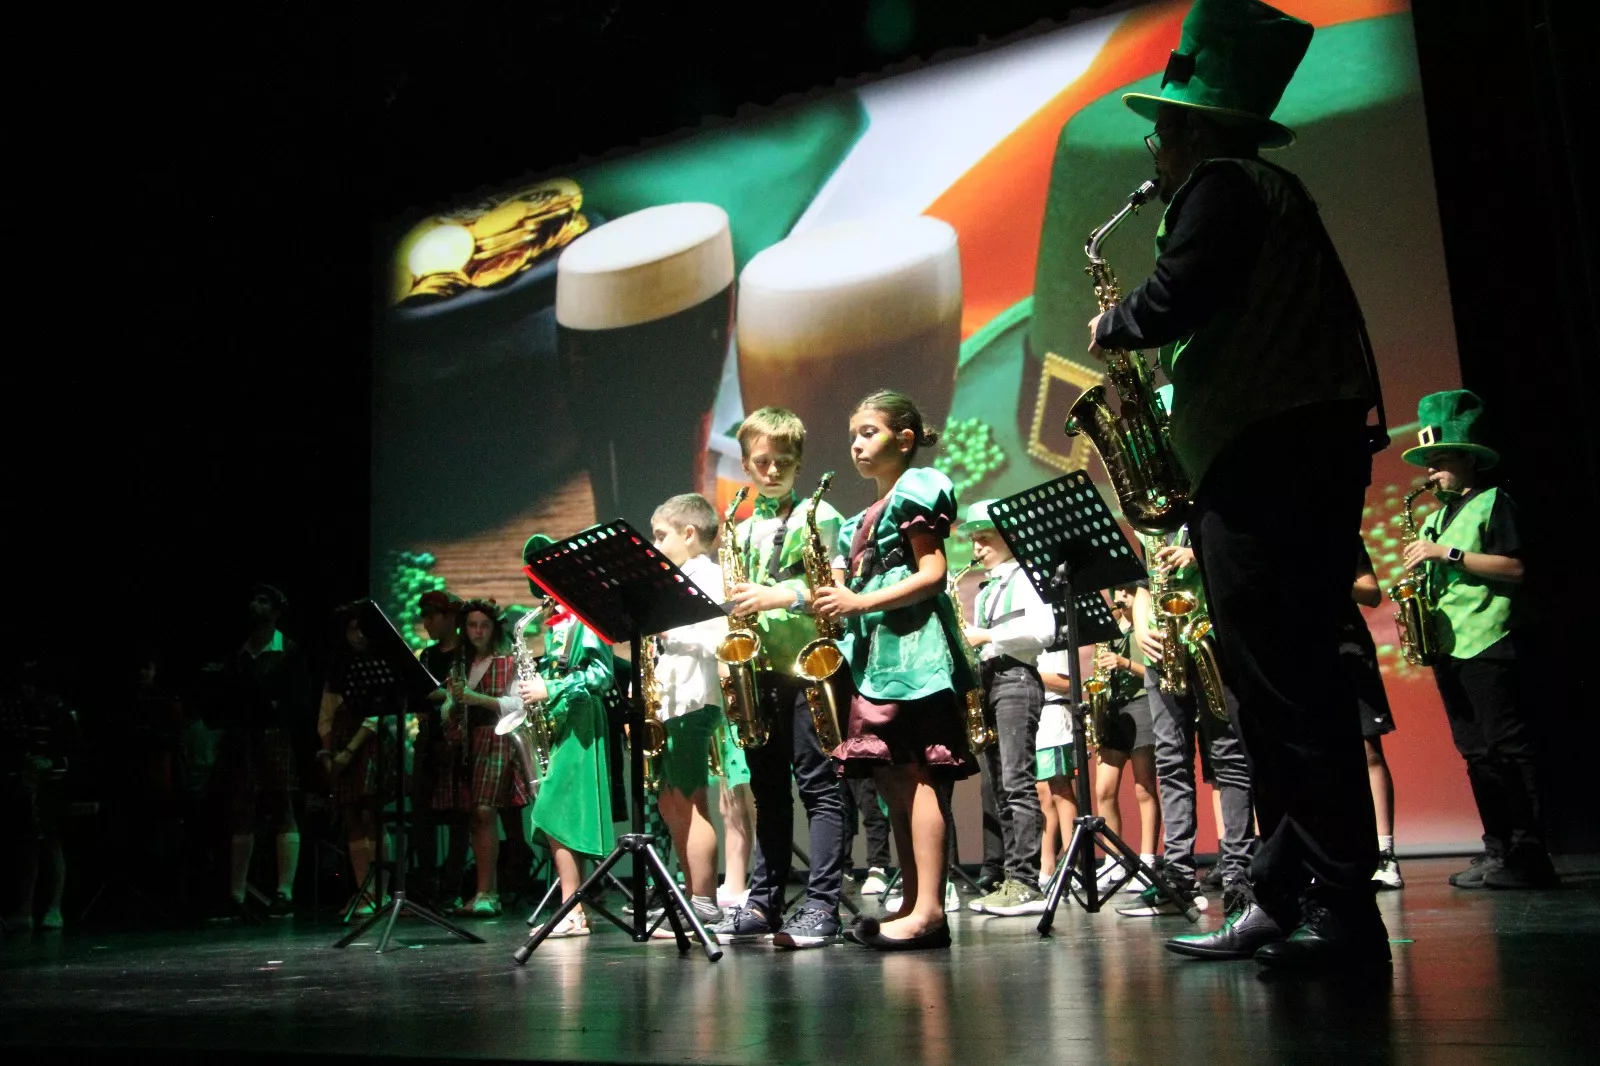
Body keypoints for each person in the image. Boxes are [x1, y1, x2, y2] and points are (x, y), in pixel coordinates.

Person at [1091, 0, 1390, 967]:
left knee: (1286, 691)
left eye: (1165, 124)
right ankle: (1285, 889)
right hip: (1290, 453)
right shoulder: (1267, 188)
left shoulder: (1223, 184)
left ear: (1199, 128)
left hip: (1269, 463)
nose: (1156, 143)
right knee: (1273, 694)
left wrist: (1117, 323)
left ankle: (1339, 909)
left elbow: (1175, 298)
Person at [816, 389, 977, 951]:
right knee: (892, 782)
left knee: (919, 774)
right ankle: (911, 903)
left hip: (915, 656)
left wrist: (858, 604)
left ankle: (930, 909)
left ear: (904, 440)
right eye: (854, 433)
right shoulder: (857, 520)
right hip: (875, 660)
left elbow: (933, 573)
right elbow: (849, 590)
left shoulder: (917, 489)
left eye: (870, 432)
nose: (857, 444)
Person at [1400, 390, 1555, 889]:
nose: (1431, 474)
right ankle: (1498, 848)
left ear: (1467, 459)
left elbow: (1515, 567)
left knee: (1507, 749)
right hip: (1448, 645)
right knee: (1476, 754)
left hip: (1488, 639)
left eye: (1439, 462)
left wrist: (1446, 554)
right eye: (1427, 465)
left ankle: (1530, 857)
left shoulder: (1493, 501)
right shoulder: (1433, 516)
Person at [714, 406, 849, 950]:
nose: (772, 472)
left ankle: (821, 904)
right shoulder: (740, 529)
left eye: (783, 463)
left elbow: (835, 599)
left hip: (811, 670)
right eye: (762, 462)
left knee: (820, 788)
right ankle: (765, 901)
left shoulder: (824, 517)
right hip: (761, 671)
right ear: (745, 465)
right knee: (769, 793)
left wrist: (780, 595)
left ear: (799, 463)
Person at [1119, 527, 1255, 919]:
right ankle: (1177, 877)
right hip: (1165, 649)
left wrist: (1200, 553)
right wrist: (1142, 629)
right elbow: (1144, 585)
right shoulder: (1153, 523)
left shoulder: (1206, 507)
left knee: (1228, 757)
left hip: (1212, 637)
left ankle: (1238, 873)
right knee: (1170, 761)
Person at [516, 534, 619, 938]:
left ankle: (571, 912)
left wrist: (550, 689)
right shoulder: (559, 621)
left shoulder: (584, 616)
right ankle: (574, 911)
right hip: (563, 719)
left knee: (555, 814)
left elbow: (601, 675)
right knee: (561, 817)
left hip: (580, 720)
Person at [958, 500, 1055, 918]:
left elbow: (1045, 631)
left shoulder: (1029, 577)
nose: (976, 548)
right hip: (989, 683)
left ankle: (1026, 882)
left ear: (1008, 537)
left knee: (1017, 781)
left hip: (1016, 680)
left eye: (984, 539)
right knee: (998, 785)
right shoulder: (986, 590)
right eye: (975, 540)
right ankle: (1008, 879)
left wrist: (988, 637)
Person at [646, 493, 730, 936]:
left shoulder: (709, 577)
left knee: (693, 800)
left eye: (661, 536)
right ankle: (687, 894)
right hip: (671, 699)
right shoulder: (678, 579)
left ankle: (704, 901)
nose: (656, 545)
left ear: (689, 534)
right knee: (669, 800)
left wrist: (669, 629)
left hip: (695, 700)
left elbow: (720, 638)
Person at [433, 598, 528, 917]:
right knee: (473, 815)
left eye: (484, 625)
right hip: (466, 743)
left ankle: (489, 892)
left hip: (495, 738)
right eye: (472, 625)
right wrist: (449, 703)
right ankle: (483, 891)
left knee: (485, 812)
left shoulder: (507, 661)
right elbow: (450, 706)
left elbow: (518, 705)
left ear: (494, 628)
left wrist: (477, 699)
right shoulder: (460, 665)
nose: (477, 631)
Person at [222, 585, 310, 919]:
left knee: (282, 806)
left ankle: (284, 891)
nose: (254, 605)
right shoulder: (239, 655)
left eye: (263, 601)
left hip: (276, 737)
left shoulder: (289, 652)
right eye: (253, 598)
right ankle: (236, 894)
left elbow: (300, 704)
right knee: (241, 811)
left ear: (275, 611)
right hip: (244, 739)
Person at [318, 605, 402, 917]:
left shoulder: (380, 664)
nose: (358, 636)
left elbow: (376, 718)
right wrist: (327, 753)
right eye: (353, 629)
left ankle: (380, 891)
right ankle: (364, 892)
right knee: (352, 817)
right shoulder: (338, 667)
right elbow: (326, 715)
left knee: (372, 815)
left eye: (363, 629)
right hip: (341, 748)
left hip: (369, 746)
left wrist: (347, 752)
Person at [1086, 585, 1161, 896]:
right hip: (1114, 710)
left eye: (1127, 592)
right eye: (1116, 593)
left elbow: (1158, 672)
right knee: (1103, 789)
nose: (1120, 598)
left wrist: (1125, 663)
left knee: (1144, 787)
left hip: (1143, 702)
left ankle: (1148, 860)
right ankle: (1115, 861)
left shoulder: (1146, 624)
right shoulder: (1111, 629)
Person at [1346, 540, 1403, 890]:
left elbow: (1371, 592)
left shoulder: (1336, 531)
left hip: (1347, 647)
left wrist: (1325, 579)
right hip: (1298, 652)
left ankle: (1386, 855)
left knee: (1368, 751)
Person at [413, 589, 461, 905]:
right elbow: (421, 695)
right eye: (424, 616)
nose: (427, 623)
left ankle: (453, 887)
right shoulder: (427, 656)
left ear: (449, 617)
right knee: (422, 817)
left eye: (432, 616)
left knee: (459, 816)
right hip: (429, 742)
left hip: (456, 744)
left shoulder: (465, 655)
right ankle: (427, 886)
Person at [1034, 648, 1079, 888]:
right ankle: (1048, 864)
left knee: (1061, 790)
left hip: (1055, 719)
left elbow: (1068, 683)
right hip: (1037, 719)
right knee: (1044, 795)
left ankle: (1072, 864)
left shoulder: (1056, 642)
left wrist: (1030, 673)